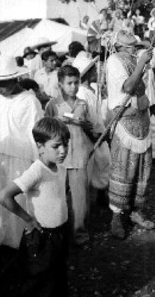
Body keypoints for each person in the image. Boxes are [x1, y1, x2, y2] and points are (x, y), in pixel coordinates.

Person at [0, 117, 70, 297]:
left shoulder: (61, 169)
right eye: (56, 146)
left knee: (57, 277)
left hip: (59, 233)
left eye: (66, 145)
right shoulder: (37, 171)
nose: (63, 151)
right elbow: (4, 196)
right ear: (40, 147)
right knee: (38, 282)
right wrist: (28, 219)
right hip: (42, 238)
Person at [0, 55, 43, 248]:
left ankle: (20, 241)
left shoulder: (30, 101)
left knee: (18, 199)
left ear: (15, 79)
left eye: (3, 83)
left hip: (22, 159)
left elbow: (37, 132)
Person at [106, 30, 155, 239]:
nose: (133, 49)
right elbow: (127, 86)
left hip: (142, 119)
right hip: (125, 121)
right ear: (118, 46)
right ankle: (116, 217)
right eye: (129, 45)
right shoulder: (114, 61)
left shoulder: (138, 56)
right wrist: (142, 63)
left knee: (143, 169)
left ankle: (136, 211)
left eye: (134, 45)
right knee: (123, 169)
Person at [45, 65, 97, 247]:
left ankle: (80, 235)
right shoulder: (53, 105)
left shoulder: (83, 104)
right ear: (60, 84)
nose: (73, 87)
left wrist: (84, 125)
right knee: (56, 196)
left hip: (79, 156)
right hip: (59, 159)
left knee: (80, 199)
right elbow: (44, 129)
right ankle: (56, 234)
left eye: (76, 83)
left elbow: (92, 128)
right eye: (69, 83)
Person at [72, 53, 111, 205]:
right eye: (94, 70)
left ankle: (101, 196)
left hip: (99, 135)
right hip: (90, 138)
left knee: (103, 166)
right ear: (87, 73)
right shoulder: (82, 92)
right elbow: (79, 118)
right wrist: (92, 133)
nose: (97, 72)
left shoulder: (92, 90)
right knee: (91, 171)